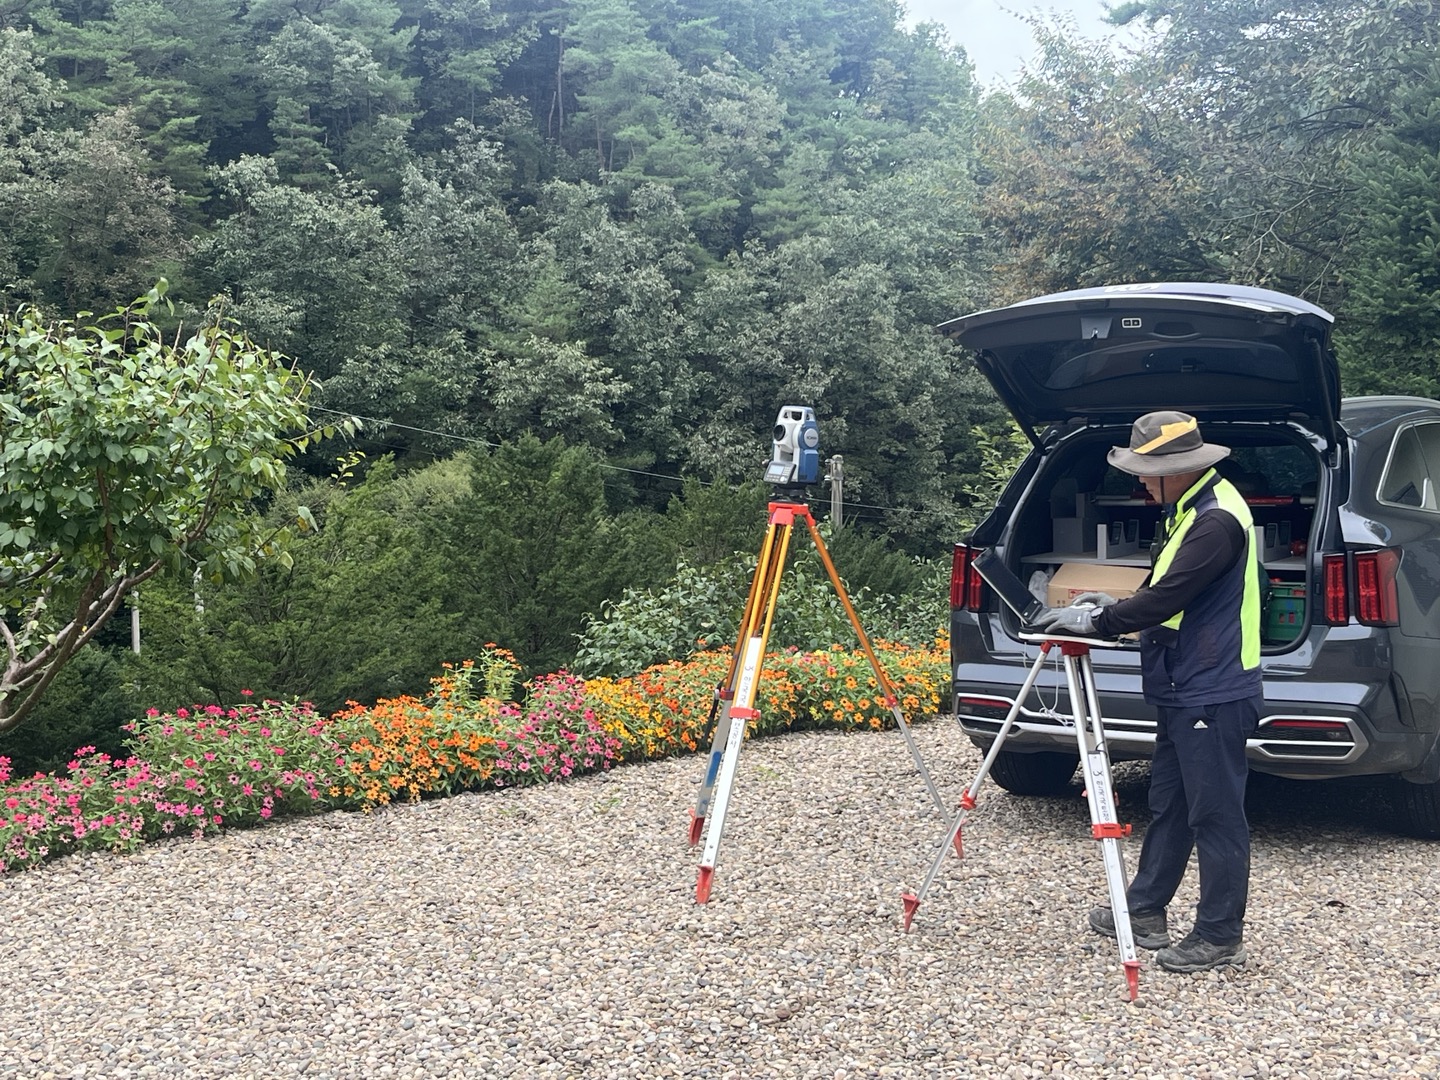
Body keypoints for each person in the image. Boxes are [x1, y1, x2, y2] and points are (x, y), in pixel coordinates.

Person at [1032, 410, 1263, 974]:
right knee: (1172, 803)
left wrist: (1097, 623)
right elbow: (1163, 587)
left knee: (1214, 814)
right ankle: (1143, 910)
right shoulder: (1193, 508)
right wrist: (1110, 606)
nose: (1139, 481)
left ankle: (1217, 934)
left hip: (1212, 684)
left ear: (1177, 468)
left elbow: (1170, 597)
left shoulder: (1214, 522)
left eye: (1145, 472)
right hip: (1187, 681)